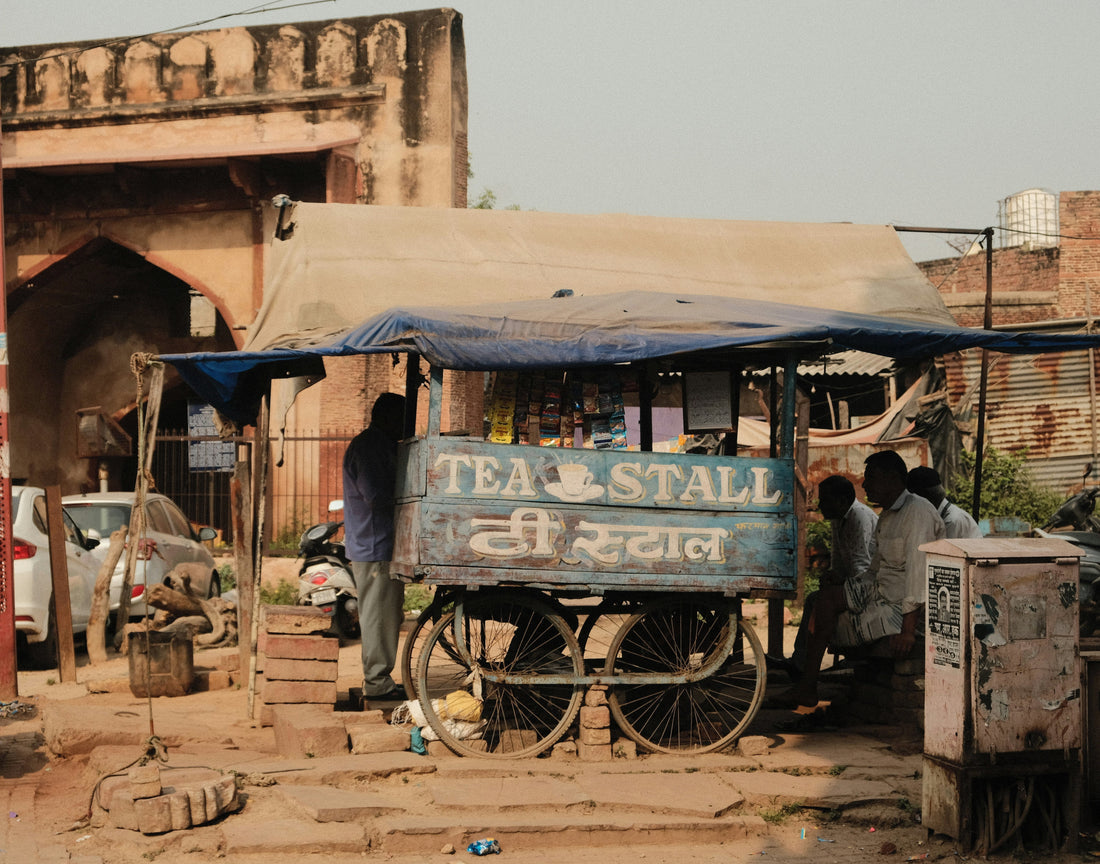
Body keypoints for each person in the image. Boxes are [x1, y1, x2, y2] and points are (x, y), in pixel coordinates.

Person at [772, 449, 945, 709]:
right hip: (880, 589)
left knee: (828, 614)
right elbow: (873, 571)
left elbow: (919, 575)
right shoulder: (887, 515)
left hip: (906, 606)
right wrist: (844, 587)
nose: (864, 485)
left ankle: (807, 684)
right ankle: (807, 684)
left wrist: (908, 631)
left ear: (891, 478)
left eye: (870, 477)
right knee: (823, 602)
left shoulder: (917, 513)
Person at [769, 475, 877, 678]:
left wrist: (840, 581)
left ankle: (803, 667)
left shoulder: (859, 517)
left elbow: (862, 566)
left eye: (824, 500)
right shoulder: (840, 519)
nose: (819, 506)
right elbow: (839, 559)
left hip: (869, 586)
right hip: (854, 582)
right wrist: (833, 576)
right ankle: (801, 663)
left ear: (841, 501)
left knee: (817, 601)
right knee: (816, 598)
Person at [343, 392, 407, 702]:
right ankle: (377, 681)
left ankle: (380, 677)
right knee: (378, 616)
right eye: (402, 418)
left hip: (380, 546)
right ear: (388, 418)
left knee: (387, 614)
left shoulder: (378, 444)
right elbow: (375, 495)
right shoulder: (370, 447)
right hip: (374, 546)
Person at [906, 466, 983, 539]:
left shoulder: (952, 520)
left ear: (926, 496)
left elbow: (944, 550)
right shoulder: (940, 516)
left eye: (915, 498)